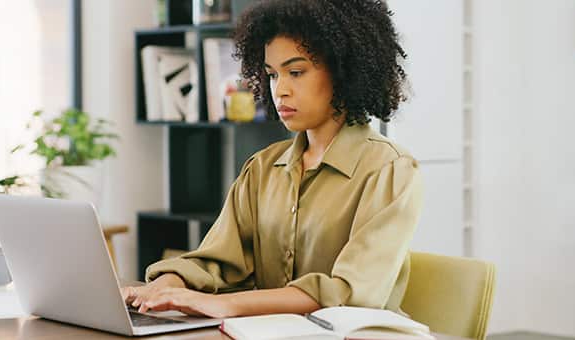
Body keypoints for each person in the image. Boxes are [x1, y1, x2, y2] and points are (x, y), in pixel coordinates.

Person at [121, 0, 422, 318]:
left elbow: (349, 292)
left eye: (295, 72)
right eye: (273, 75)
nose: (280, 90)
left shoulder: (390, 170)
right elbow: (216, 261)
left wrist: (226, 305)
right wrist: (164, 287)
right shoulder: (262, 168)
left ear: (344, 70)